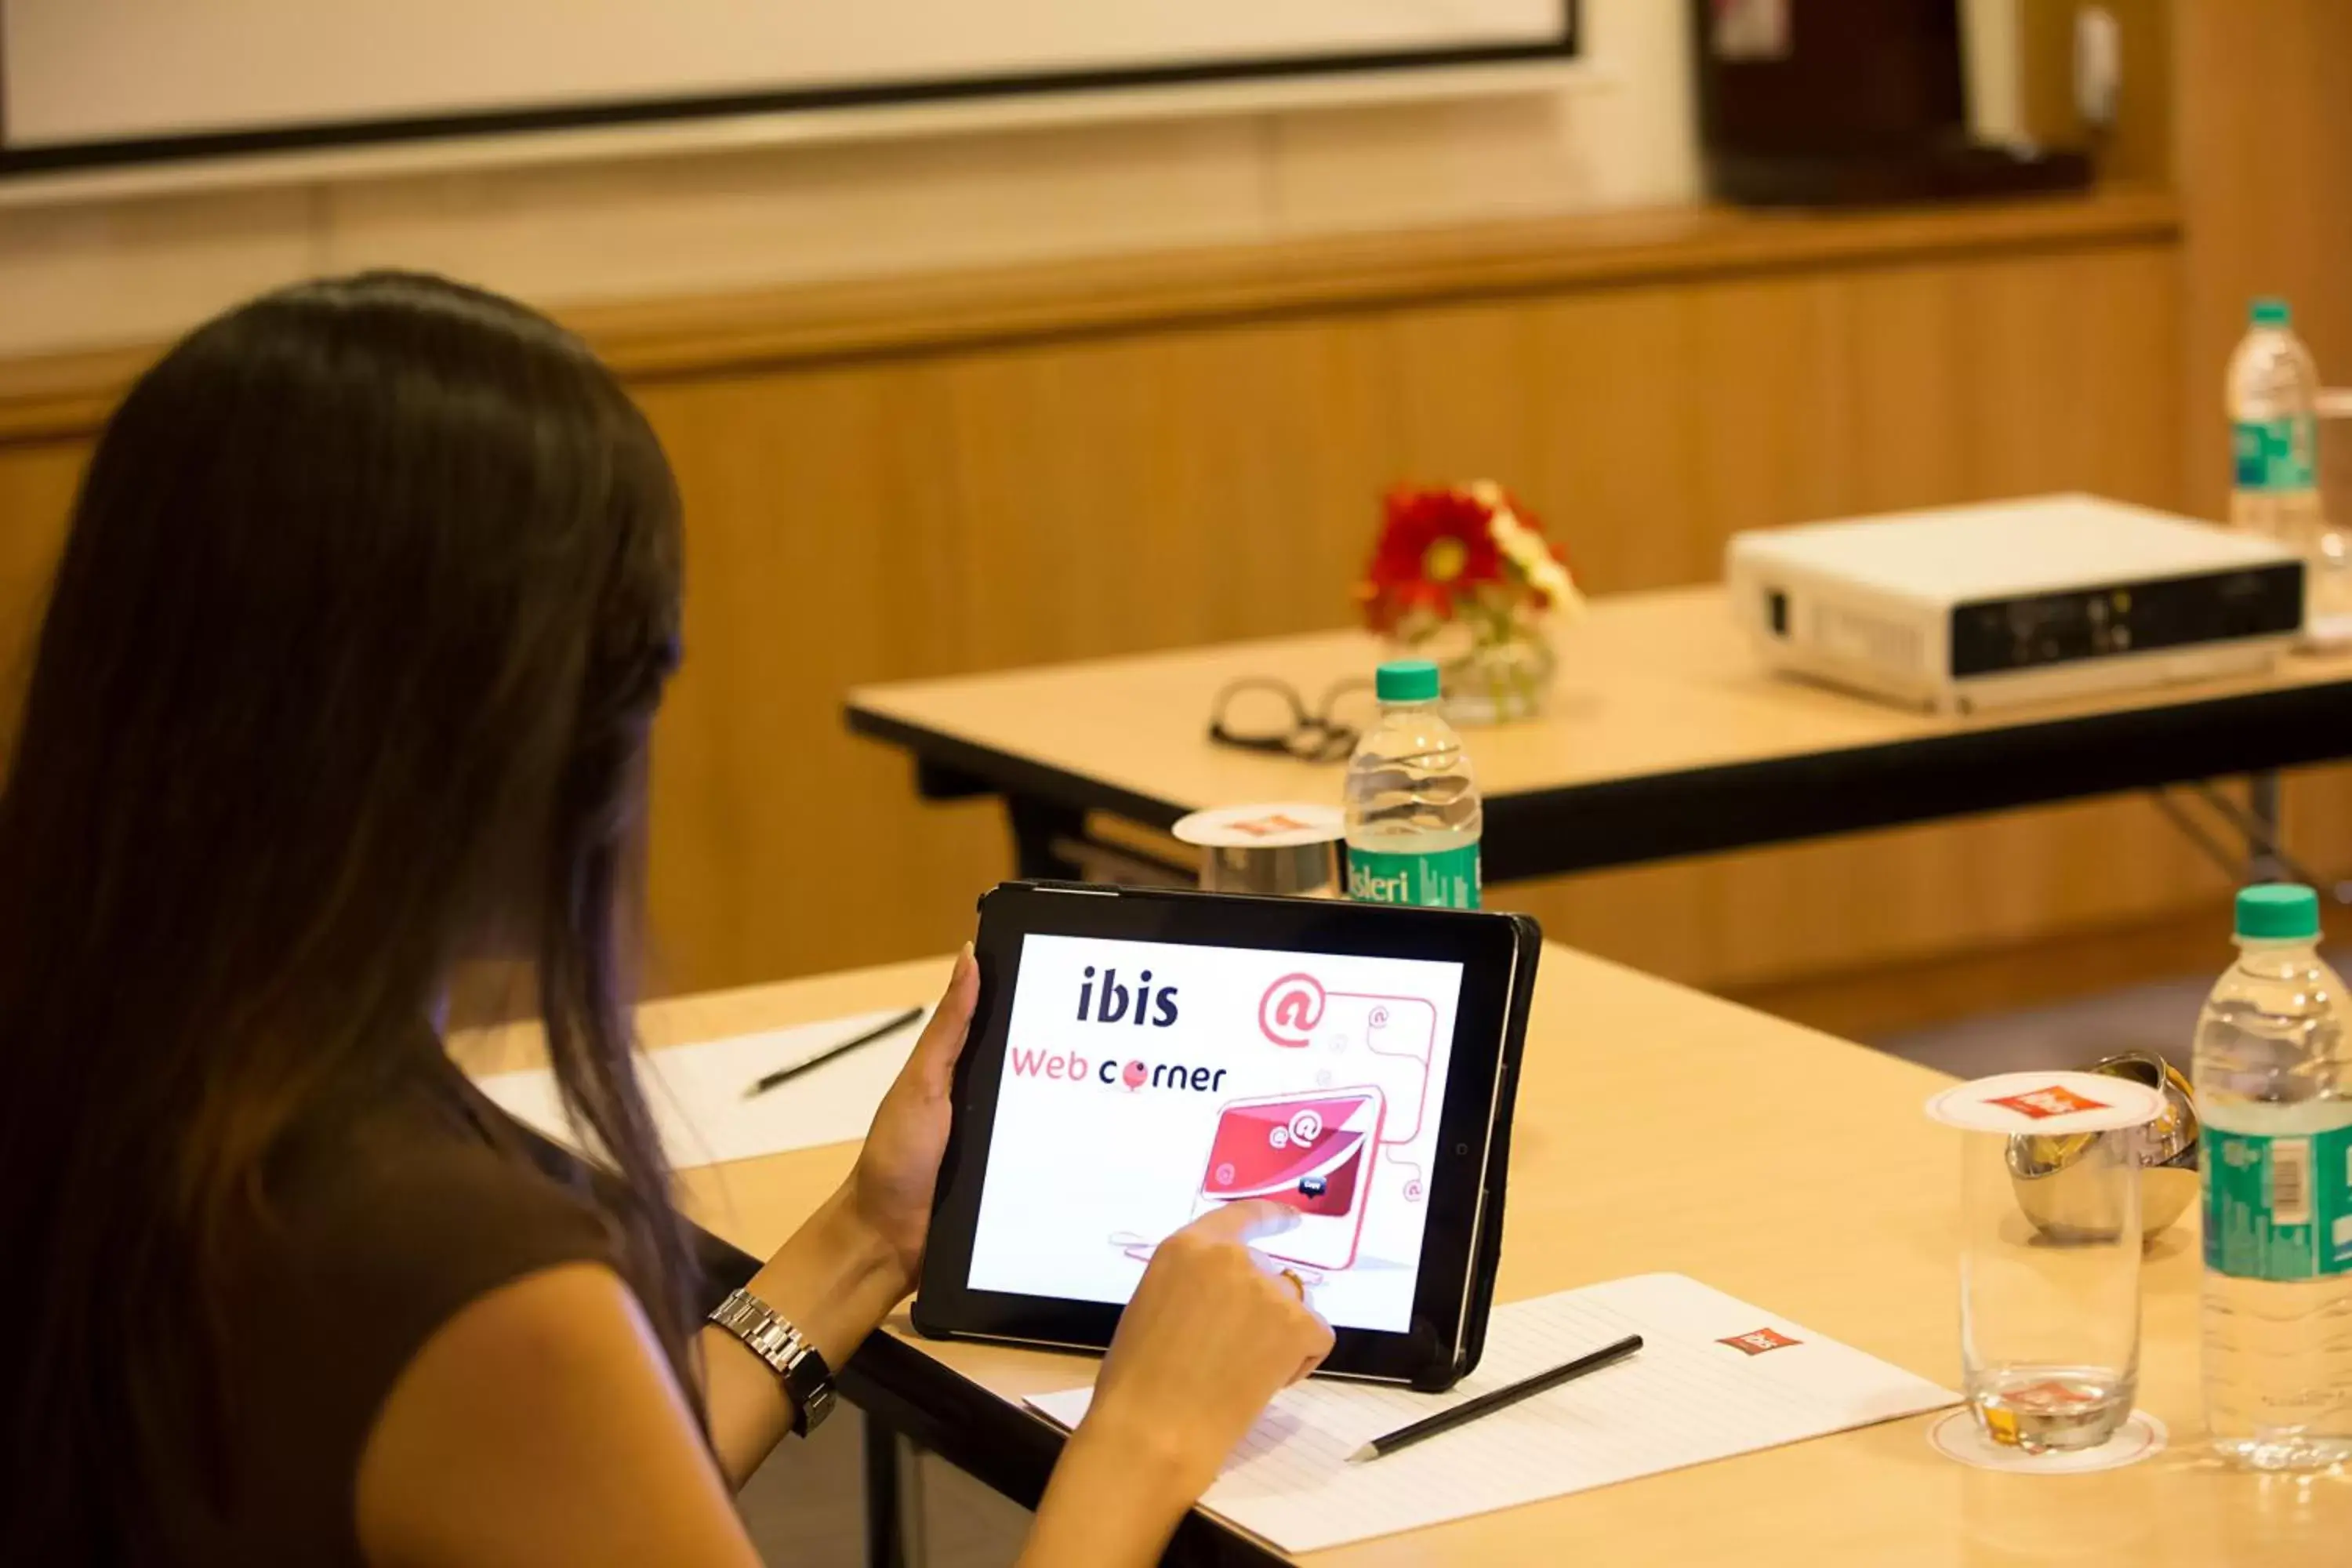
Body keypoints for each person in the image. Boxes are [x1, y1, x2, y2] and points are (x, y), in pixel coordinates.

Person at [0, 272, 1331, 1567]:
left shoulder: (150, 1079)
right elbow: (534, 1421)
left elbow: (550, 1491)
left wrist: (867, 1239)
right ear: (523, 730)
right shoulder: (454, 1265)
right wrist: (1147, 1435)